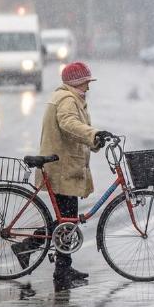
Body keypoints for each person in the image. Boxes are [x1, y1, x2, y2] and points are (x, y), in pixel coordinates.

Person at [12, 61, 112, 286]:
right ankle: (42, 257)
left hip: (65, 166)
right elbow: (69, 124)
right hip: (62, 167)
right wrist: (94, 133)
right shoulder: (67, 100)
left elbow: (76, 130)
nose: (88, 87)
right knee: (66, 221)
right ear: (77, 82)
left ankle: (62, 266)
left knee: (66, 221)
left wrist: (95, 140)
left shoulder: (71, 98)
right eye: (86, 82)